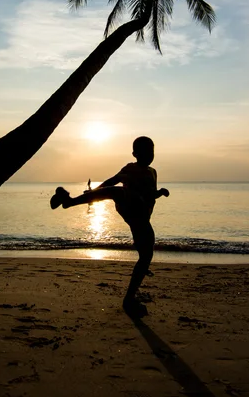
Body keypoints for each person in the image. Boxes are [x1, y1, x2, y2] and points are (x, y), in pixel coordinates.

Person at [50, 136, 170, 317]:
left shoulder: (153, 172)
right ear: (135, 154)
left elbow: (150, 194)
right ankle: (70, 201)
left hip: (142, 216)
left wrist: (159, 193)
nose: (149, 155)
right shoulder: (130, 168)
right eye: (144, 152)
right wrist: (95, 192)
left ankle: (131, 295)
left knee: (146, 255)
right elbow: (112, 181)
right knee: (117, 191)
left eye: (151, 151)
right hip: (129, 206)